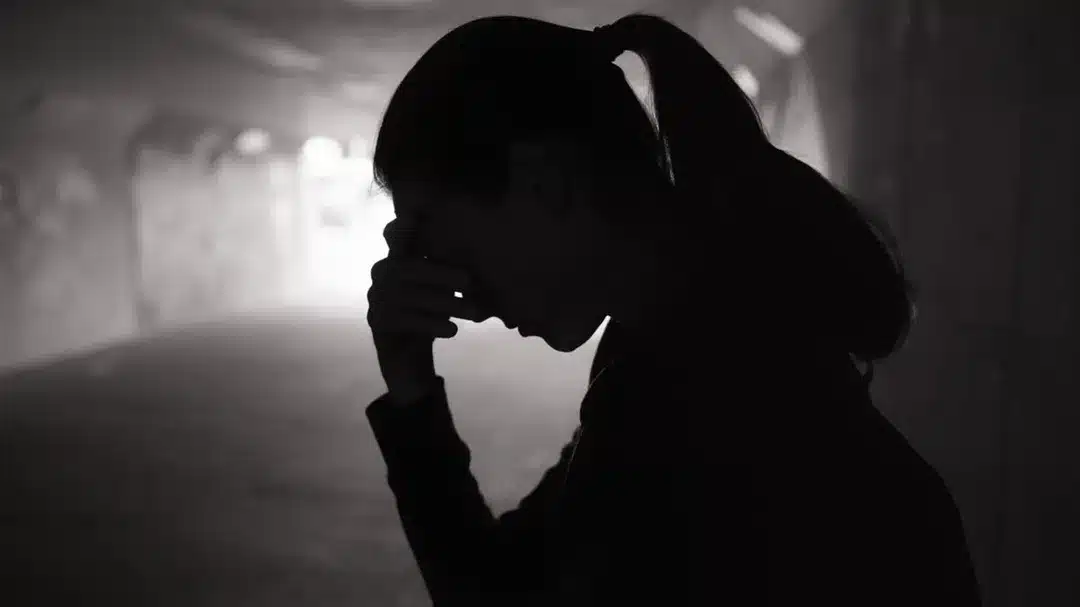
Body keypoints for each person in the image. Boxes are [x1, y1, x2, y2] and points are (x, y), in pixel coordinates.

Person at [363, 13, 983, 606]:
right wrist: (411, 385)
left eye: (434, 231)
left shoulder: (704, 405)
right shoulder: (689, 345)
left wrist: (414, 403)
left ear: (542, 181)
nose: (443, 278)